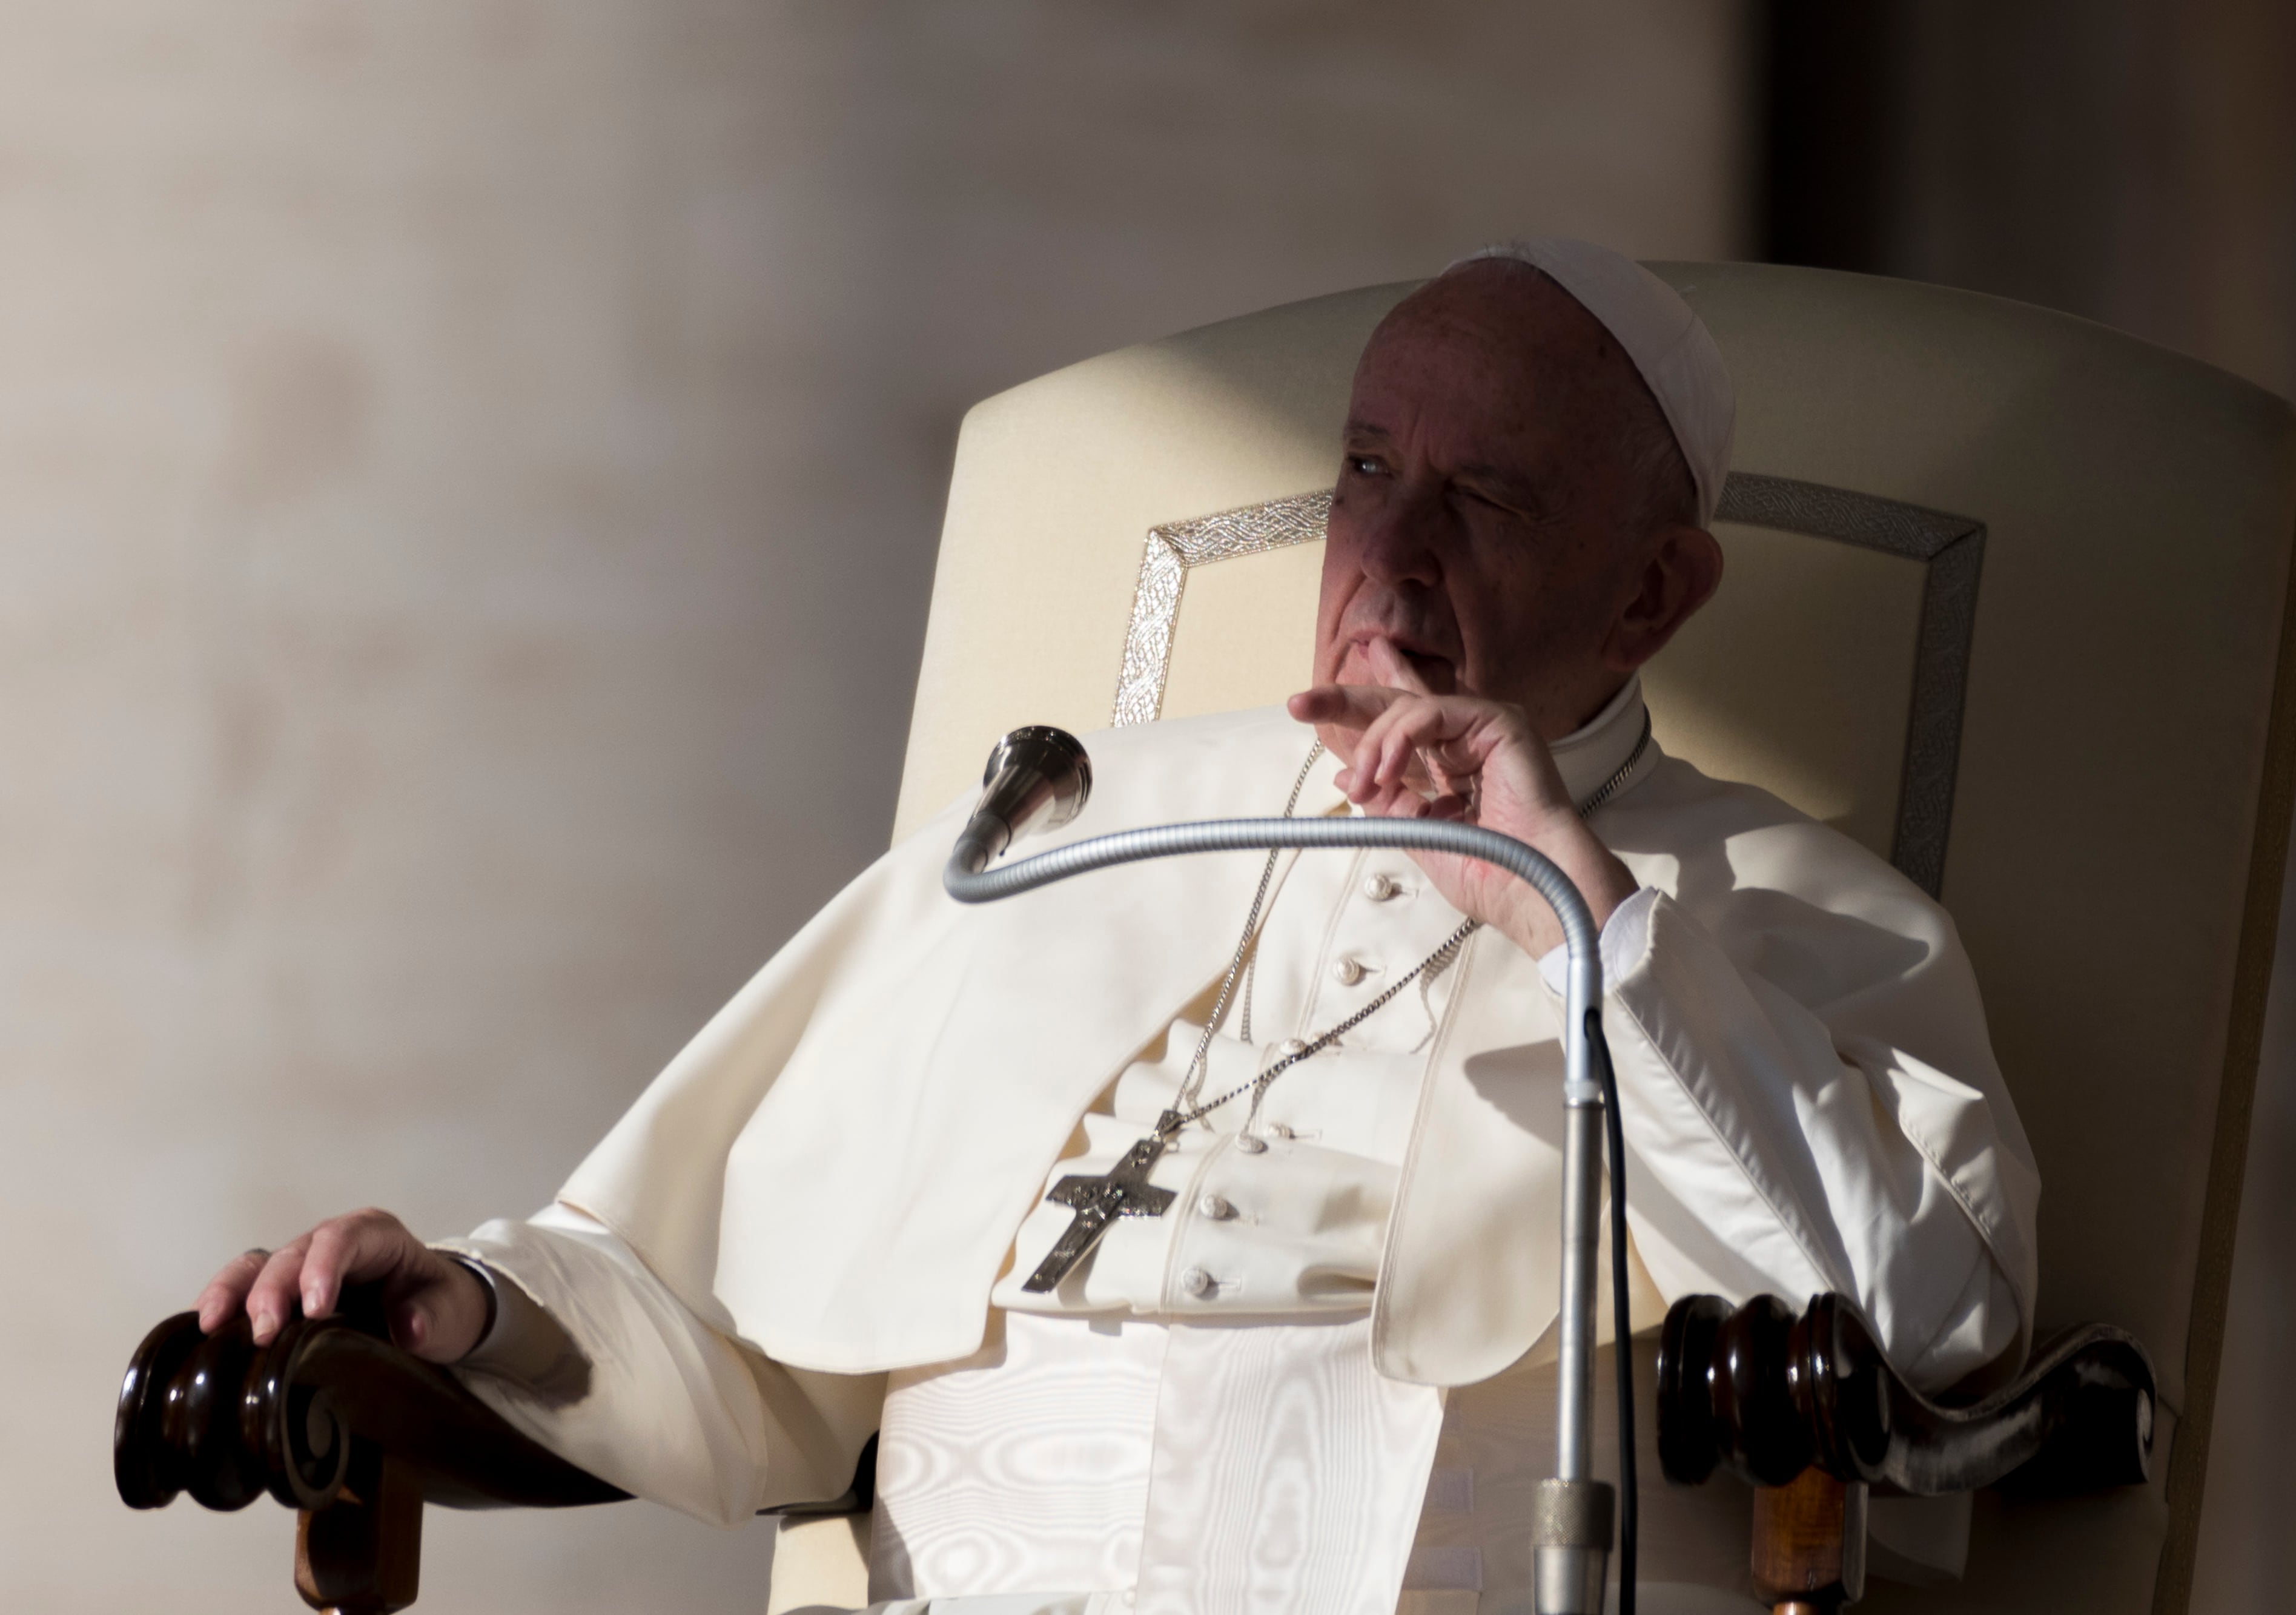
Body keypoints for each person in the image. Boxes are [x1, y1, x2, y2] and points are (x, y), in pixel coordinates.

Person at [193, 241, 2037, 1614]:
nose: (1392, 558)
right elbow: (720, 1302)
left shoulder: (1786, 908)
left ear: (1651, 590)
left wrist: (1583, 921)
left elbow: (1933, 1327)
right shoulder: (1066, 822)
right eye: (1368, 469)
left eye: (1484, 497)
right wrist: (471, 1305)